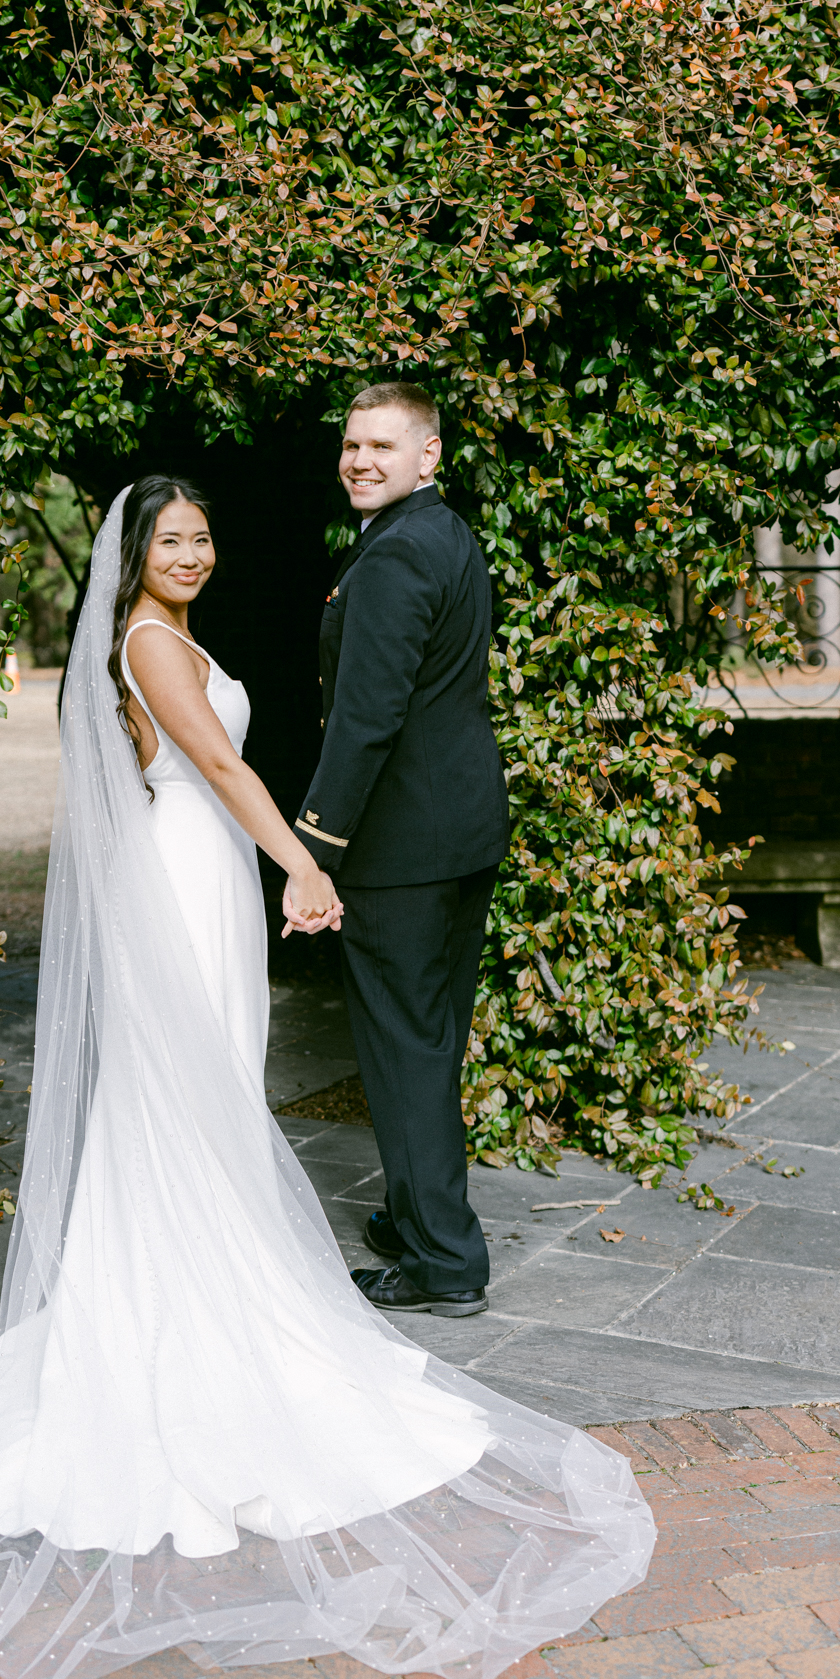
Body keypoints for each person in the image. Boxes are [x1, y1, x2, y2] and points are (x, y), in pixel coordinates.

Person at [0, 473, 654, 1679]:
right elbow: (210, 757)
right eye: (171, 539)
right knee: (181, 1093)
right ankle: (180, 1301)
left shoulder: (174, 631)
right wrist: (303, 865)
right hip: (188, 875)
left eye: (203, 536)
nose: (192, 553)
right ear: (132, 555)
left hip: (202, 877)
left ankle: (203, 1272)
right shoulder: (149, 643)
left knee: (202, 1087)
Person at [291, 383, 507, 1318]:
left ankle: (443, 1262)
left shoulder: (389, 560)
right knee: (434, 1039)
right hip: (462, 832)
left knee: (406, 1051)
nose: (360, 460)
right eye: (351, 445)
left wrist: (313, 848)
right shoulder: (446, 535)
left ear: (429, 455)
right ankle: (417, 1211)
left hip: (400, 848)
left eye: (383, 445)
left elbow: (367, 721)